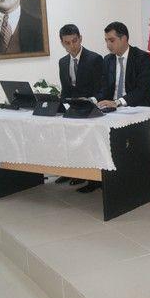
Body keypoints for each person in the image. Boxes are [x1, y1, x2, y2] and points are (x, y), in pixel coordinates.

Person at [77, 21, 150, 193]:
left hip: (140, 108)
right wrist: (91, 100)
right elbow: (104, 89)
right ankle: (101, 179)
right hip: (115, 110)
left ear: (124, 39)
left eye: (111, 40)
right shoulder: (108, 60)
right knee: (92, 130)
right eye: (106, 40)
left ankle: (148, 179)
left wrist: (118, 102)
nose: (108, 44)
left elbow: (143, 90)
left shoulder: (142, 58)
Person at [55, 24, 103, 186]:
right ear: (62, 43)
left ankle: (92, 179)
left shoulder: (94, 59)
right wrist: (61, 105)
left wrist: (90, 100)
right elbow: (65, 90)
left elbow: (102, 88)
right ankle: (70, 172)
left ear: (80, 38)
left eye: (74, 41)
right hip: (72, 109)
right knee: (66, 138)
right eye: (67, 43)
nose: (72, 46)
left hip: (91, 109)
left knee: (86, 143)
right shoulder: (62, 62)